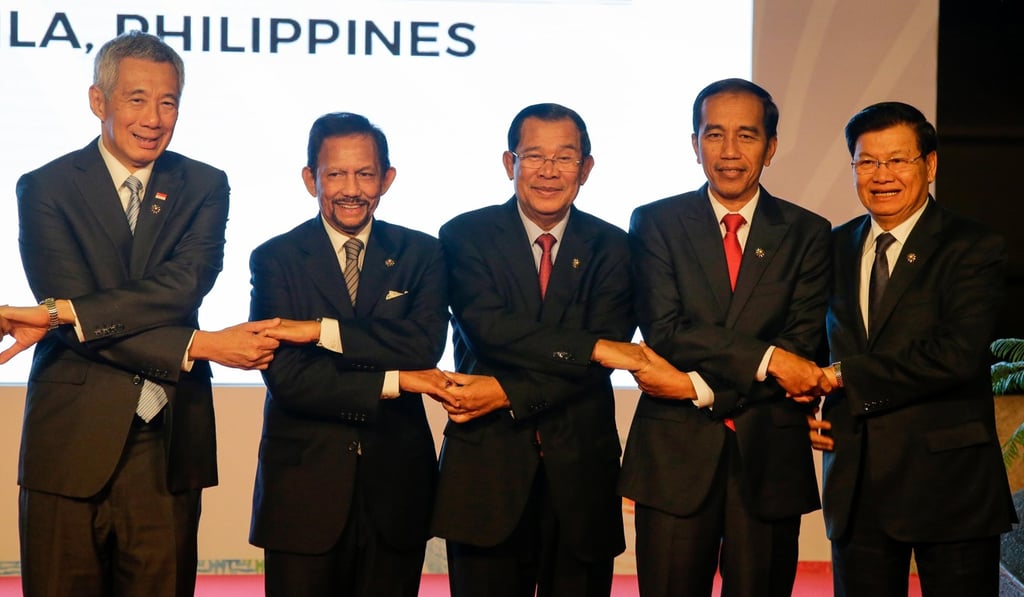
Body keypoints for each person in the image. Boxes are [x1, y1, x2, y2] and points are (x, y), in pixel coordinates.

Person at [0, 31, 280, 597]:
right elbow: (78, 327)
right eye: (136, 99)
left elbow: (180, 288)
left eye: (168, 101)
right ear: (98, 101)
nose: (154, 118)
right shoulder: (46, 187)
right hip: (71, 445)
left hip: (169, 442)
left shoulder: (204, 184)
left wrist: (61, 313)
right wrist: (197, 345)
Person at [616, 78, 833, 597]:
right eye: (714, 135)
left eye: (747, 136)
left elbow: (802, 350)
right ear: (695, 145)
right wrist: (768, 359)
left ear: (771, 147)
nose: (730, 152)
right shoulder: (655, 222)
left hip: (769, 456)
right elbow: (666, 331)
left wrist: (698, 387)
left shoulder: (808, 232)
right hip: (674, 458)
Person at [431, 103, 641, 597]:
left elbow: (599, 361)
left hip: (581, 477)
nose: (549, 172)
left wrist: (506, 391)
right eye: (534, 156)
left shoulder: (615, 247)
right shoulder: (464, 236)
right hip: (487, 473)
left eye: (565, 158)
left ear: (586, 168)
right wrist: (592, 349)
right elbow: (490, 331)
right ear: (510, 164)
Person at [811, 101, 1016, 597]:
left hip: (949, 487)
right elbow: (813, 346)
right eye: (867, 162)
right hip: (856, 485)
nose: (882, 175)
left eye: (898, 160)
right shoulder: (831, 247)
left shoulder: (972, 246)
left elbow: (957, 353)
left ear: (930, 165)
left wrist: (839, 378)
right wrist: (800, 397)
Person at [247, 112, 453, 597]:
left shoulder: (422, 253)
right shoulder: (275, 259)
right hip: (304, 491)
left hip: (397, 488)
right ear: (310, 179)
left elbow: (423, 345)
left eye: (364, 173)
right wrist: (396, 380)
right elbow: (290, 379)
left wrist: (321, 332)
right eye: (335, 174)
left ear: (387, 178)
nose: (351, 188)